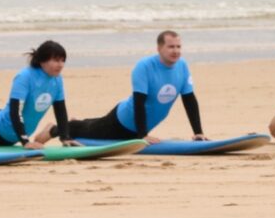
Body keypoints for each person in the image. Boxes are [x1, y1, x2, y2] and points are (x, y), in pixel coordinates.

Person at [66, 30, 205, 144]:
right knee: (88, 131)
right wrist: (142, 135)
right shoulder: (144, 66)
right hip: (123, 121)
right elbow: (139, 102)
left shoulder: (182, 66)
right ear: (159, 48)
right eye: (171, 46)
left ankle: (78, 122)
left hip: (140, 126)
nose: (175, 51)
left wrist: (198, 132)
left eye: (178, 47)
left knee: (95, 125)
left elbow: (189, 100)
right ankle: (54, 129)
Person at [0, 40, 73, 148]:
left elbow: (60, 110)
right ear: (42, 60)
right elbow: (15, 111)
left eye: (63, 60)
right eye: (56, 60)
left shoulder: (57, 80)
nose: (60, 64)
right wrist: (25, 141)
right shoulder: (25, 76)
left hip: (12, 139)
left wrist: (65, 137)